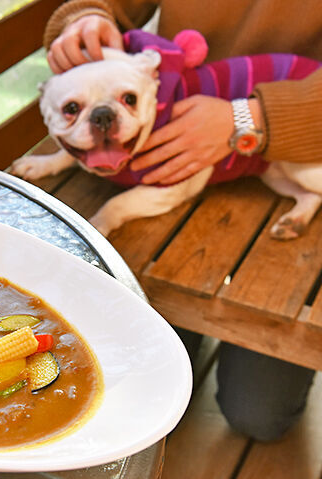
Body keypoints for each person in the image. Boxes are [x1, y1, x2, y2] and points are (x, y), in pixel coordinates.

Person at [43, 0, 321, 441]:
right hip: (194, 148)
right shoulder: (133, 103)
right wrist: (88, 16)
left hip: (302, 127)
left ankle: (310, 196)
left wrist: (248, 117)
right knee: (151, 383)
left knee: (258, 417)